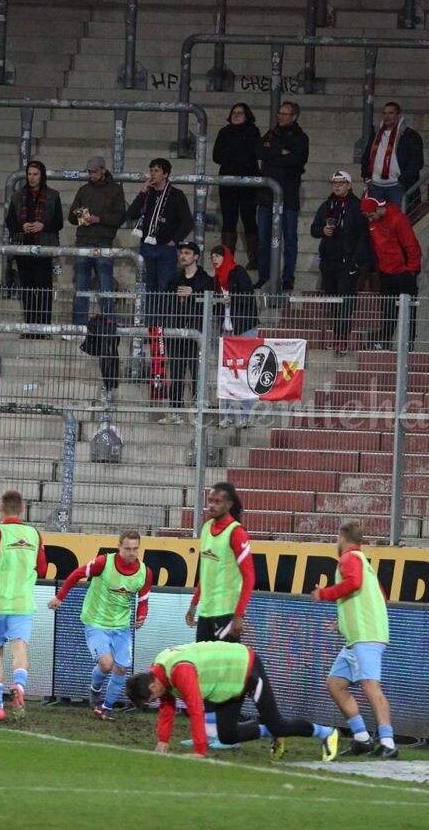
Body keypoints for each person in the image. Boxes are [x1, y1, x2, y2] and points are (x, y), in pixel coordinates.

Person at [125, 641, 340, 761]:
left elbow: (196, 710)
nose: (157, 700)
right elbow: (167, 707)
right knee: (227, 736)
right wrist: (163, 740)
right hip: (228, 682)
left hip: (245, 668)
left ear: (153, 686)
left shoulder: (179, 671)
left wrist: (200, 751)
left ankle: (327, 733)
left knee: (277, 723)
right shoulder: (159, 670)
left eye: (152, 698)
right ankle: (273, 732)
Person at [310, 520, 397, 758]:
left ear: (342, 538)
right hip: (356, 637)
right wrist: (345, 622)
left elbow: (353, 584)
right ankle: (362, 738)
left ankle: (388, 742)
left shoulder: (349, 559)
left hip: (365, 636)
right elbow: (380, 598)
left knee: (371, 686)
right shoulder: (364, 563)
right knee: (335, 685)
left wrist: (324, 594)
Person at [47, 529, 151, 721]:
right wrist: (60, 597)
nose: (131, 553)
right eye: (127, 548)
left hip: (121, 627)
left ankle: (107, 708)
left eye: (135, 549)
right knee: (106, 664)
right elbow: (77, 574)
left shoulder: (144, 572)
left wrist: (141, 616)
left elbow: (143, 600)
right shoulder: (104, 563)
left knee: (120, 668)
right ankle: (95, 690)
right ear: (119, 547)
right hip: (96, 622)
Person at [183, 481, 254, 747]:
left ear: (229, 504)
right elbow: (205, 571)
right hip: (208, 612)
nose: (211, 505)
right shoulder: (206, 528)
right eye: (209, 500)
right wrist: (194, 602)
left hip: (227, 614)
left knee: (225, 674)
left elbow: (249, 577)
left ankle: (229, 733)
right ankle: (210, 731)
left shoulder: (236, 533)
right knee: (205, 671)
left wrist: (239, 615)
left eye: (217, 501)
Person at [0, 489, 47, 723]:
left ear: (0, 507)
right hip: (22, 603)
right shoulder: (34, 534)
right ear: (23, 508)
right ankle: (19, 685)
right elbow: (43, 569)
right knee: (20, 648)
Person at [310, 170, 371, 353]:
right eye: (334, 182)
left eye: (341, 182)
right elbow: (313, 229)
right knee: (333, 301)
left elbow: (363, 238)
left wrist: (355, 262)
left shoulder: (356, 207)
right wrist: (323, 231)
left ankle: (343, 340)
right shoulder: (326, 205)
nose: (336, 185)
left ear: (349, 185)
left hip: (347, 262)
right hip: (329, 262)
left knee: (345, 302)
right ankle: (336, 337)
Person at [255, 101, 309, 291]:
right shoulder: (271, 134)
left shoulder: (301, 138)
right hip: (266, 197)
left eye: (285, 114)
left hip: (289, 197)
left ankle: (288, 278)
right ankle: (264, 276)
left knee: (290, 240)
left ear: (294, 116)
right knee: (263, 240)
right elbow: (258, 151)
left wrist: (272, 158)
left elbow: (296, 160)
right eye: (280, 113)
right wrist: (279, 152)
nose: (280, 116)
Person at [4, 160, 63, 333]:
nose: (32, 178)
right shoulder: (17, 196)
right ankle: (29, 326)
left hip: (44, 247)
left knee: (44, 289)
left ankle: (44, 327)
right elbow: (10, 221)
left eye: (35, 174)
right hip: (23, 247)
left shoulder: (53, 195)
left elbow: (58, 222)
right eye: (29, 174)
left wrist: (43, 226)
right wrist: (22, 226)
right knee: (28, 289)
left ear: (42, 175)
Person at [67, 155, 127, 326]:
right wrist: (83, 217)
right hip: (84, 241)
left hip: (103, 242)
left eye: (94, 171)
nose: (91, 175)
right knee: (81, 287)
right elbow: (71, 217)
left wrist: (99, 219)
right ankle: (79, 326)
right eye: (90, 172)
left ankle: (109, 324)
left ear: (103, 170)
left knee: (106, 287)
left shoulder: (115, 190)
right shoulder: (84, 190)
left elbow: (120, 216)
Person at [361, 195, 421, 352]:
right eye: (367, 217)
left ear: (379, 209)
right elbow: (376, 247)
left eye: (372, 215)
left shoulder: (398, 219)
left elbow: (412, 245)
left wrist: (412, 270)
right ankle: (385, 341)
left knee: (409, 309)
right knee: (387, 310)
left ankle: (408, 343)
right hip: (385, 273)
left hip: (403, 273)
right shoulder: (372, 222)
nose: (370, 220)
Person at [125, 158, 192, 294]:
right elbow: (131, 214)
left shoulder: (176, 195)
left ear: (165, 174)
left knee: (165, 287)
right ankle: (149, 316)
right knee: (148, 287)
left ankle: (163, 316)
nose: (152, 174)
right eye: (151, 170)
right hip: (147, 247)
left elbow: (187, 221)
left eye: (156, 171)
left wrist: (174, 240)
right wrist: (142, 192)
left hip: (166, 247)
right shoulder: (147, 194)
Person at [159, 242, 209, 424]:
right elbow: (165, 303)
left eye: (187, 253)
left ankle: (197, 412)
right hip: (177, 333)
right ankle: (175, 412)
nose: (183, 256)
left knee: (197, 373)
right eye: (182, 253)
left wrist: (194, 293)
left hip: (196, 335)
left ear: (196, 256)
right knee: (177, 374)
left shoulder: (205, 279)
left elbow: (211, 303)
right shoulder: (175, 279)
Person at [209, 243, 258, 428]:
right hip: (227, 331)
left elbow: (248, 294)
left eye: (217, 256)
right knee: (227, 374)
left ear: (226, 256)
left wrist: (232, 298)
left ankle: (246, 416)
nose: (214, 259)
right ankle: (227, 416)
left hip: (244, 328)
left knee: (246, 372)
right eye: (212, 256)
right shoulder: (216, 279)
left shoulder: (238, 272)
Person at [213, 102, 263, 271]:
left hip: (248, 182)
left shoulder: (253, 131)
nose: (236, 115)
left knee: (249, 218)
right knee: (229, 219)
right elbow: (217, 155)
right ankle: (227, 258)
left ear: (247, 115)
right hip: (228, 182)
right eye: (234, 112)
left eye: (240, 112)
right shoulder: (224, 132)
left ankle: (254, 258)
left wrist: (233, 155)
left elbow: (252, 153)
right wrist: (238, 155)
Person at [362, 102, 424, 212]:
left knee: (397, 221)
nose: (387, 116)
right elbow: (367, 155)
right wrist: (366, 174)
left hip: (397, 187)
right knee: (374, 223)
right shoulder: (376, 134)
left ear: (398, 115)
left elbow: (417, 162)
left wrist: (403, 180)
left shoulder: (410, 135)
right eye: (384, 113)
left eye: (390, 113)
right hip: (375, 186)